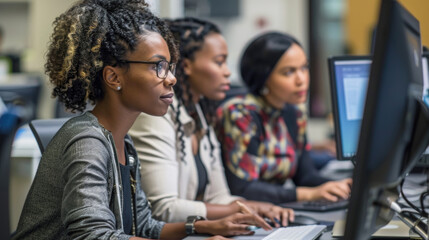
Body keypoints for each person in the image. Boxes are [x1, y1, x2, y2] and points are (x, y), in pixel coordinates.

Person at [12, 1, 272, 239]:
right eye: (158, 66)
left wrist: (201, 226)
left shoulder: (124, 144)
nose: (171, 78)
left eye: (170, 67)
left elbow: (145, 226)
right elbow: (94, 236)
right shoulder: (87, 141)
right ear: (114, 78)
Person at [128, 17, 294, 226]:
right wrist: (235, 209)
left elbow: (219, 197)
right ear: (186, 65)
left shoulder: (199, 112)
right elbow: (164, 209)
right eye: (219, 62)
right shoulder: (156, 115)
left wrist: (255, 207)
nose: (227, 72)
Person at [216, 32, 352, 204]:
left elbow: (306, 176)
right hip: (246, 214)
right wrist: (306, 194)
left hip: (279, 210)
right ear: (263, 77)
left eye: (304, 68)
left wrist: (341, 186)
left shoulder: (294, 112)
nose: (301, 79)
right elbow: (243, 188)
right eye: (288, 72)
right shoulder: (240, 114)